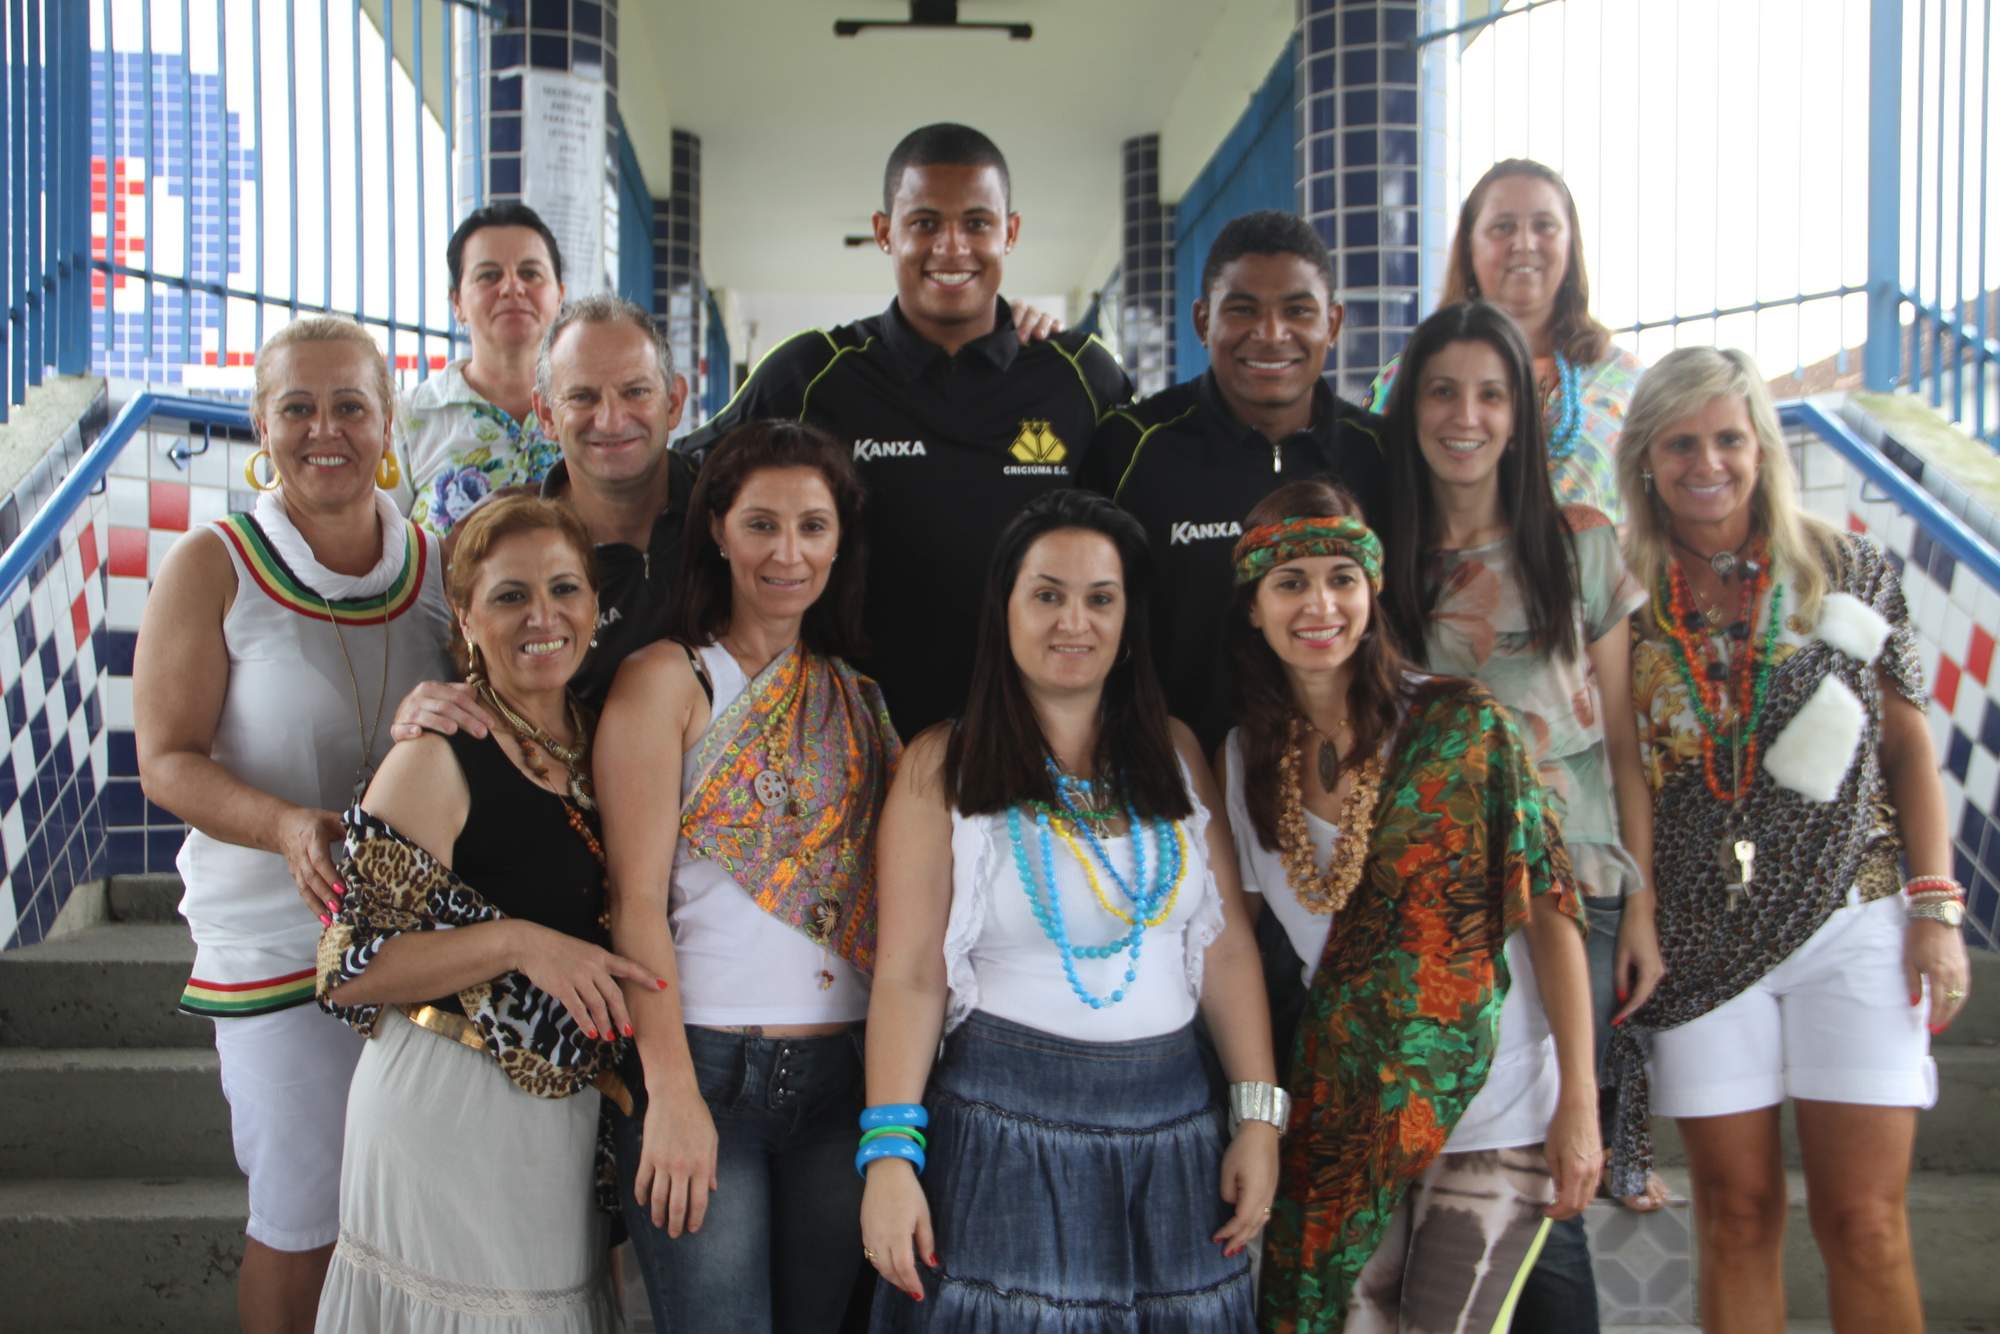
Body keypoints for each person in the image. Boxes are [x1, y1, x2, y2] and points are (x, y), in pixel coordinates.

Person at [1607, 347, 1971, 1334]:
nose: (1705, 461)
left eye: (1728, 436)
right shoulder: (1621, 597)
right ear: (1644, 456)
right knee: (1734, 1214)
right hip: (1698, 937)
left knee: (1864, 1224)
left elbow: (1907, 742)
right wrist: (1636, 906)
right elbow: (1621, 766)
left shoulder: (1853, 569)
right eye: (1679, 441)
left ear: (1761, 445)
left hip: (1852, 916)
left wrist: (1933, 910)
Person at [860, 490, 1277, 1330]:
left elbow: (1226, 947)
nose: (1072, 622)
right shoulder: (943, 763)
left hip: (1175, 1133)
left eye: (1100, 598)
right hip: (1004, 1134)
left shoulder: (1177, 750)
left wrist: (1257, 1116)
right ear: (1004, 611)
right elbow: (908, 974)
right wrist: (889, 1158)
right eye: (1047, 594)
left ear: (1128, 622)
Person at [132, 315, 452, 1332]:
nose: (326, 429)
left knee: (415, 1220)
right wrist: (283, 826)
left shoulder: (438, 566)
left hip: (418, 948)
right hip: (276, 941)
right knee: (303, 1215)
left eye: (350, 405)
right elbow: (166, 757)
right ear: (261, 427)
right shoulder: (214, 564)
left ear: (387, 419)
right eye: (298, 408)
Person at [1218, 480, 1600, 1332]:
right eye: (1290, 583)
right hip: (1345, 1110)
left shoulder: (1464, 725)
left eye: (1341, 578)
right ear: (1254, 608)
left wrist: (1580, 1098)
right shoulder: (1246, 759)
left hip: (1496, 1107)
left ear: (1374, 589)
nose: (1320, 604)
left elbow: (1549, 913)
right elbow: (1233, 945)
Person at [1374, 301, 1667, 1330]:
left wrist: (1638, 905)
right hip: (1425, 903)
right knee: (1441, 1169)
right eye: (1442, 390)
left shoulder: (1578, 544)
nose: (1465, 415)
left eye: (1489, 393)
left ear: (1521, 411)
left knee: (1552, 1172)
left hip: (1569, 890)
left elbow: (1624, 745)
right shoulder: (1376, 557)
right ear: (1407, 403)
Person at [313, 495, 649, 1332]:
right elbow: (348, 968)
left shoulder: (604, 733)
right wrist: (519, 943)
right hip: (445, 1107)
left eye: (564, 589)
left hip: (561, 1126)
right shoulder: (434, 751)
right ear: (464, 617)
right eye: (510, 596)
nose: (543, 616)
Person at [592, 421, 900, 1333]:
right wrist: (672, 1094)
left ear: (840, 540)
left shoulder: (856, 694)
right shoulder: (668, 681)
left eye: (813, 526)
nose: (788, 553)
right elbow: (634, 903)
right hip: (707, 1070)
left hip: (843, 1081)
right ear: (718, 530)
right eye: (762, 524)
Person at [678, 123, 1132, 737]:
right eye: (924, 223)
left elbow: (1142, 534)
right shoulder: (814, 373)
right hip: (849, 742)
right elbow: (683, 483)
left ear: (1011, 233)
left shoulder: (1078, 376)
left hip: (1031, 738)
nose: (951, 247)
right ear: (885, 233)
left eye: (977, 223)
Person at [1087, 210, 1390, 749]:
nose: (1271, 334)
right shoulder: (1132, 445)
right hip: (1173, 780)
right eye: (1243, 309)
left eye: (1298, 310)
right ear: (1203, 322)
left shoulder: (1380, 454)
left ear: (1334, 324)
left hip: (1346, 786)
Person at [390, 295, 697, 748]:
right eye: (582, 397)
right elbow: (442, 674)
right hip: (566, 806)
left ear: (673, 402)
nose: (611, 420)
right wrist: (417, 703)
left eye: (636, 392)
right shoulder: (491, 540)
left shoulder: (732, 515)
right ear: (547, 414)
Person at [1362, 159, 1643, 524]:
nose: (1524, 244)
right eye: (1502, 227)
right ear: (1469, 247)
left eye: (1544, 226)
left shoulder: (1627, 382)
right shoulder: (1405, 377)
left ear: (1571, 244)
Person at [397, 202, 567, 535]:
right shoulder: (408, 418)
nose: (512, 287)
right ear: (457, 303)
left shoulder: (593, 407)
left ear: (559, 296)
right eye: (489, 275)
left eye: (530, 273)